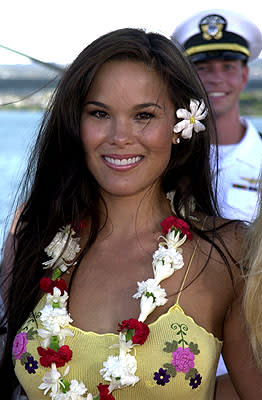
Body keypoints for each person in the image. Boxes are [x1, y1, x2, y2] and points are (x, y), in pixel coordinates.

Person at [0, 27, 261, 400]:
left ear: (180, 125)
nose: (120, 136)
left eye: (144, 115)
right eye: (100, 113)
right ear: (77, 123)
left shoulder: (226, 253)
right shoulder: (34, 235)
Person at [172, 9, 262, 222]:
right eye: (202, 68)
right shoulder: (168, 155)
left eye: (228, 67)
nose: (216, 78)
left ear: (244, 75)